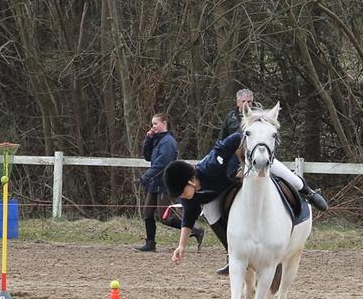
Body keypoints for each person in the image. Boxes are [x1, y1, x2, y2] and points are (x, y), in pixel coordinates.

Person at [164, 124, 328, 275]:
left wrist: (244, 161)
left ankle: (309, 193)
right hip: (229, 183)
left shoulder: (212, 165)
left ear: (190, 181)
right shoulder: (191, 197)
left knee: (291, 179)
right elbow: (188, 219)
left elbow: (236, 138)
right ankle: (233, 254)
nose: (181, 196)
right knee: (209, 211)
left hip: (252, 160)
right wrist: (181, 246)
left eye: (181, 191)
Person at [134, 112, 202, 252]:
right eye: (152, 124)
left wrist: (145, 177)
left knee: (165, 217)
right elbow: (148, 157)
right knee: (147, 213)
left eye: (155, 124)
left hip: (165, 182)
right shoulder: (157, 140)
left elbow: (161, 164)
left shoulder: (168, 142)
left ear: (164, 123)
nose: (153, 127)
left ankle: (195, 230)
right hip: (154, 183)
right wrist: (148, 139)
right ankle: (150, 243)